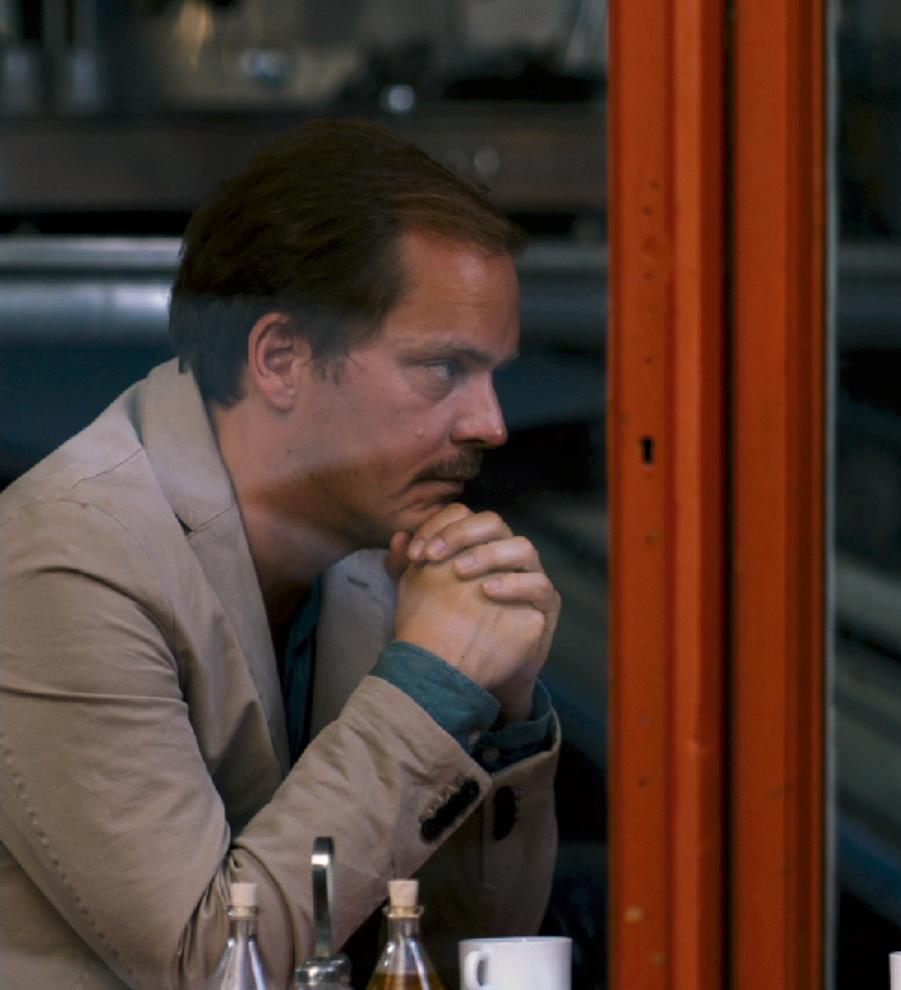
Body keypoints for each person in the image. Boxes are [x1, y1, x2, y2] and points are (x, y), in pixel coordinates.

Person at [0, 121, 563, 988]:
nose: (490, 423)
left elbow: (446, 959)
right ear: (280, 358)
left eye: (495, 375)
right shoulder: (67, 564)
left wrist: (500, 704)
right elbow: (213, 968)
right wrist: (428, 688)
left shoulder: (374, 559)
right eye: (444, 369)